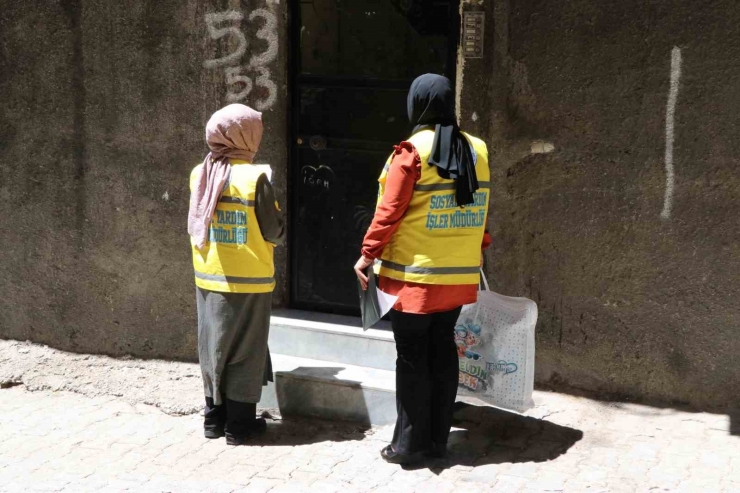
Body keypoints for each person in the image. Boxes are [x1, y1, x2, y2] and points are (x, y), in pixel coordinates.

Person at [354, 74, 491, 464]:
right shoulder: (477, 149)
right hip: (457, 277)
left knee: (412, 358)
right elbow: (479, 209)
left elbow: (388, 212)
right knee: (443, 353)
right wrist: (478, 247)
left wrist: (367, 254)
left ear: (418, 105)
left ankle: (409, 446)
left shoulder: (411, 151)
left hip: (413, 281)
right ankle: (437, 440)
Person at [188, 104, 285, 446]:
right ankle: (239, 425)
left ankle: (213, 420)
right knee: (246, 349)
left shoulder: (199, 173)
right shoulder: (255, 177)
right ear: (245, 135)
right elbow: (273, 231)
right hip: (249, 279)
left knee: (213, 346)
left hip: (208, 274)